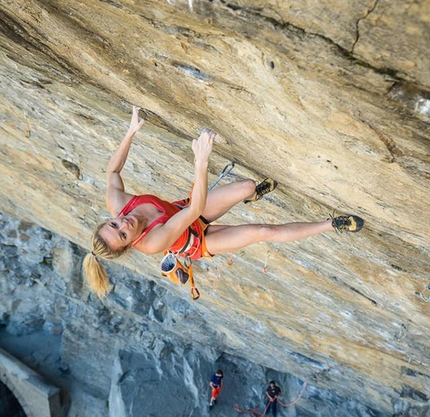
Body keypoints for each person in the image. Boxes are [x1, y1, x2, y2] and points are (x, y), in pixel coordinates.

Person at [83, 106, 365, 297]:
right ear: (129, 245)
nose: (124, 223)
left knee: (247, 186)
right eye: (122, 234)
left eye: (113, 223)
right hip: (197, 240)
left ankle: (252, 195)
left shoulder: (119, 205)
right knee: (264, 232)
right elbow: (195, 210)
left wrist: (130, 131)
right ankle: (331, 224)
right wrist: (201, 161)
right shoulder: (151, 242)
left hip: (184, 210)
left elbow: (112, 172)